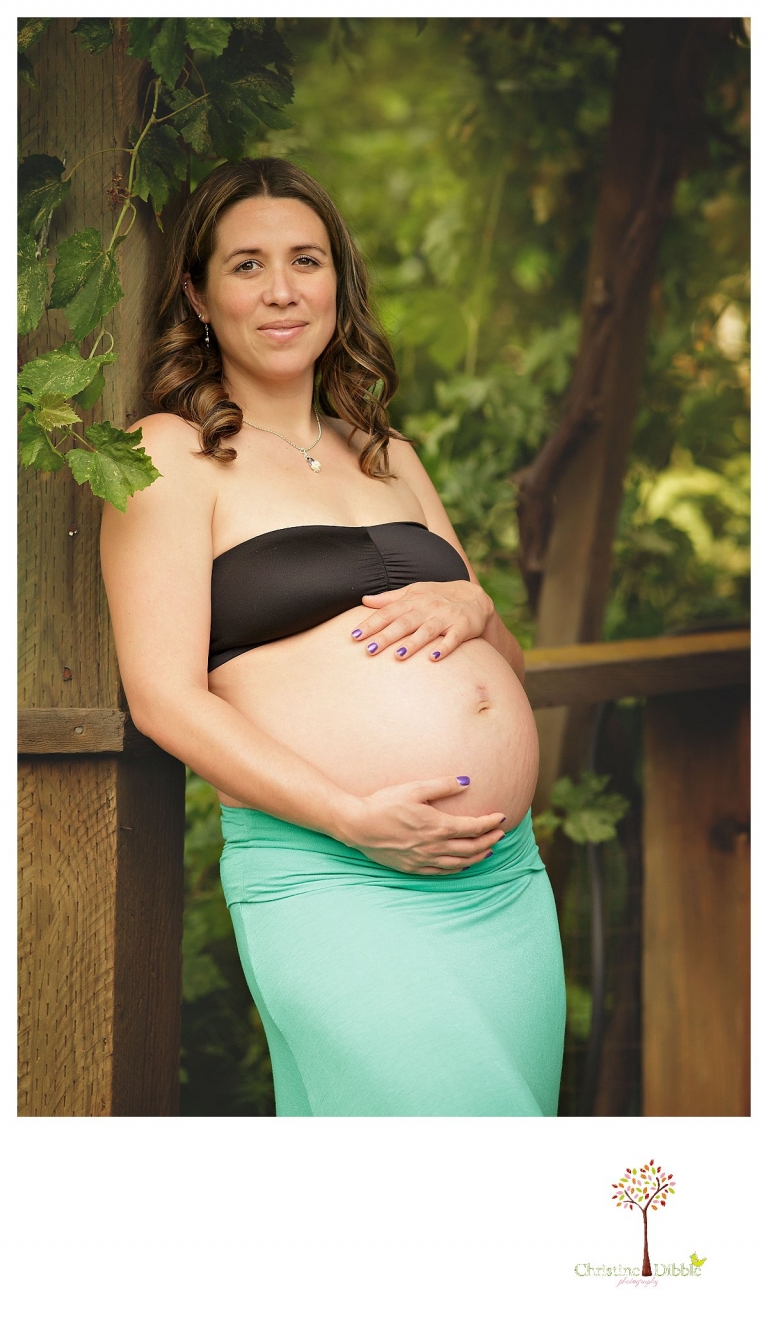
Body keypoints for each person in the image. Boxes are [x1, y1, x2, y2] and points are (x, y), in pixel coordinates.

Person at [100, 157, 566, 1117]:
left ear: (337, 284)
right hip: (334, 871)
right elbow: (163, 698)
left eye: (305, 260)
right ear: (196, 292)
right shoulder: (168, 455)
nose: (281, 290)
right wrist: (351, 816)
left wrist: (476, 610)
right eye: (247, 265)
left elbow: (508, 666)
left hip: (502, 878)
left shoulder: (390, 454)